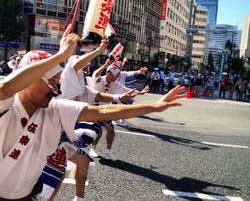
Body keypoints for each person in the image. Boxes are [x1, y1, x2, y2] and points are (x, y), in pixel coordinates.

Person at [0, 24, 185, 200]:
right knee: (64, 167)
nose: (56, 87)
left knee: (69, 167)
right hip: (62, 136)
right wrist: (61, 55)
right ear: (28, 78)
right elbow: (5, 89)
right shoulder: (6, 105)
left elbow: (102, 110)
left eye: (58, 80)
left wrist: (153, 106)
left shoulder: (55, 108)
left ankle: (78, 196)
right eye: (51, 80)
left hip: (27, 192)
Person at [41, 45, 138, 201]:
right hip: (54, 132)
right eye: (82, 62)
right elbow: (75, 64)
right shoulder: (67, 77)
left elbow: (98, 95)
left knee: (82, 162)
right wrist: (99, 50)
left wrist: (119, 98)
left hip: (66, 132)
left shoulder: (81, 85)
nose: (86, 65)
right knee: (53, 172)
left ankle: (79, 198)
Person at [87, 59, 149, 161]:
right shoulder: (99, 79)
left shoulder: (114, 84)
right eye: (116, 75)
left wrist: (140, 92)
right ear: (110, 73)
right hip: (93, 108)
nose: (117, 77)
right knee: (99, 131)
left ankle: (108, 150)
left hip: (105, 109)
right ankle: (92, 149)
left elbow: (126, 90)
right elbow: (96, 73)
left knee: (111, 130)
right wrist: (105, 64)